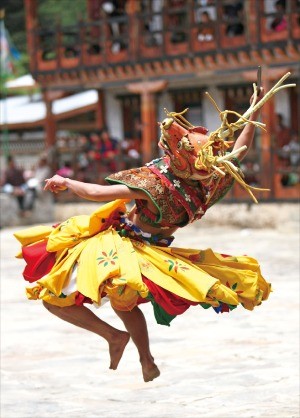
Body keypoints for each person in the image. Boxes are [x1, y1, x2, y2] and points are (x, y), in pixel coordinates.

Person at [15, 84, 275, 383]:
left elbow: (98, 192)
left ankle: (113, 336)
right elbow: (239, 150)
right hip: (154, 252)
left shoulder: (155, 186)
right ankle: (146, 361)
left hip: (123, 244)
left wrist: (67, 182)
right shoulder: (208, 184)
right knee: (122, 302)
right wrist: (254, 113)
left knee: (52, 296)